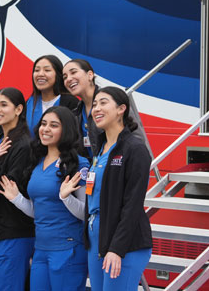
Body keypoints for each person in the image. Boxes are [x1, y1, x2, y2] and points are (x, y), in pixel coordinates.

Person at [0, 106, 90, 291]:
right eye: (43, 124)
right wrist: (17, 199)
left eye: (54, 125)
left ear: (66, 130)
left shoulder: (79, 164)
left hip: (68, 250)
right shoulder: (37, 161)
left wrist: (66, 198)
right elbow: (39, 211)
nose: (46, 129)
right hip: (40, 249)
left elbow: (85, 213)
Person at [83, 87, 152, 291]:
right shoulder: (100, 149)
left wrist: (117, 248)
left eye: (103, 102)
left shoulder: (135, 149)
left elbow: (133, 205)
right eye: (94, 104)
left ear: (121, 109)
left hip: (123, 243)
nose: (96, 108)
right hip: (96, 240)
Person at [0, 87, 35, 291]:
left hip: (13, 233)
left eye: (4, 105)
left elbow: (6, 189)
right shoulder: (1, 142)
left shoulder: (23, 145)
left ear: (18, 109)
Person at [25, 55, 79, 136]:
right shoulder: (29, 103)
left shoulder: (71, 103)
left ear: (58, 75)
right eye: (36, 70)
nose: (40, 74)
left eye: (47, 70)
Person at [62, 59, 102, 159]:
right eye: (65, 77)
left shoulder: (113, 100)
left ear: (90, 75)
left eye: (73, 72)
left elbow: (136, 139)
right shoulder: (76, 113)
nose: (68, 79)